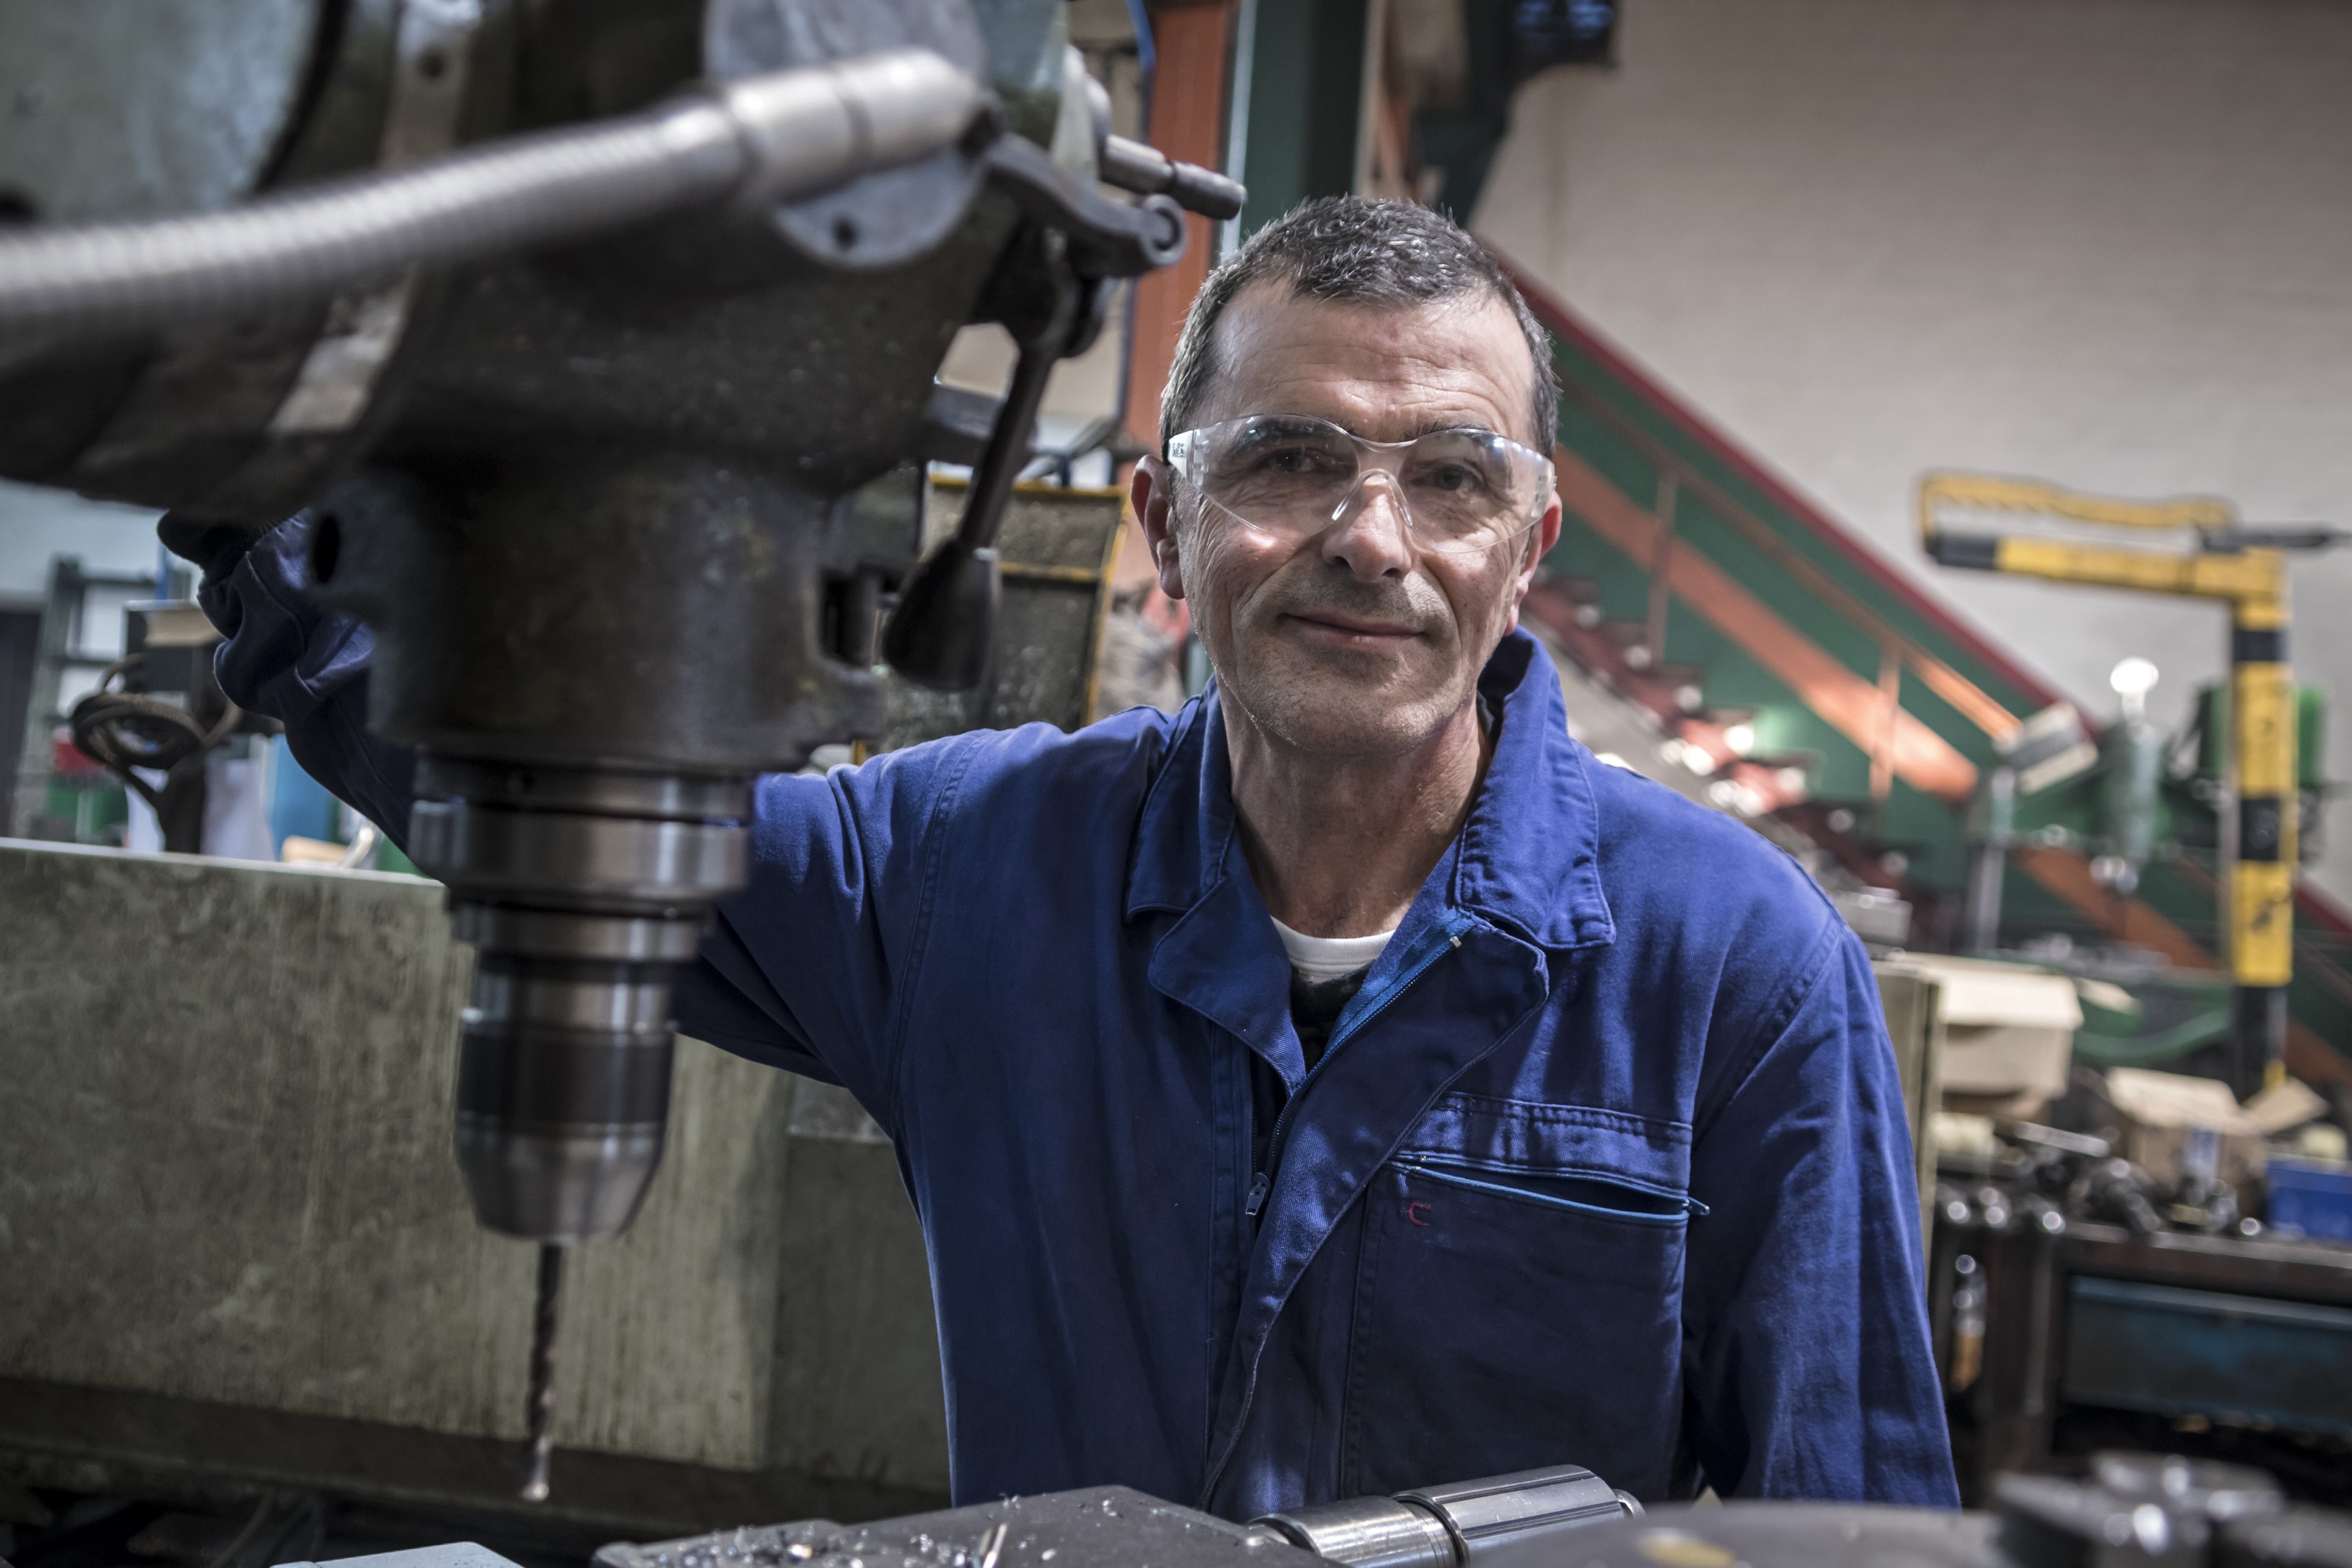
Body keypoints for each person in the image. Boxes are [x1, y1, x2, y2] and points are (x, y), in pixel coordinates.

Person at [171, 198, 1957, 1515]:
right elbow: (538, 795)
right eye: (1287, 458)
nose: (1367, 539)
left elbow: (1848, 1521)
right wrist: (258, 439)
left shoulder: (1732, 967)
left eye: (1449, 481)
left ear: (1527, 542)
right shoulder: (961, 872)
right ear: (1161, 517)